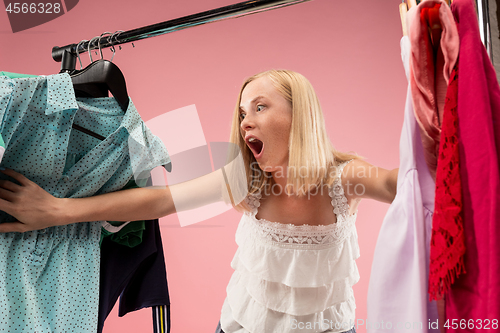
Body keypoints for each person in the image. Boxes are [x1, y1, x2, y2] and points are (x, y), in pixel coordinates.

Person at [0, 69, 397, 333]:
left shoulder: (344, 178)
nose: (246, 122)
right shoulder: (247, 180)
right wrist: (56, 211)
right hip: (242, 325)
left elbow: (400, 184)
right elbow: (158, 202)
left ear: (301, 114)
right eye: (242, 113)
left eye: (260, 107)